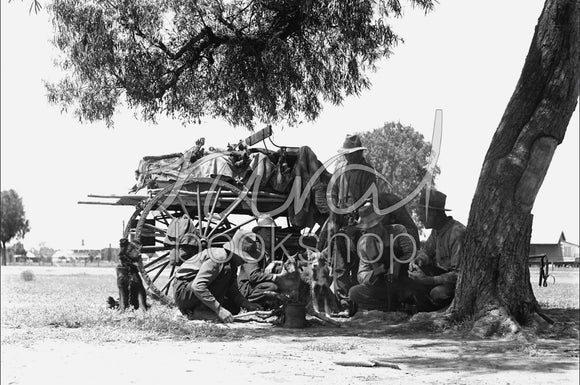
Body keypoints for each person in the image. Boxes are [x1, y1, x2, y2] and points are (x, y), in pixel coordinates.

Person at [330, 134, 377, 313]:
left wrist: (359, 218)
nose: (348, 156)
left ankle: (357, 304)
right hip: (341, 223)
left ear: (358, 153)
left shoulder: (367, 171)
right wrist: (334, 218)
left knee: (359, 263)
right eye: (346, 153)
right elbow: (332, 194)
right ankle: (343, 303)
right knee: (340, 265)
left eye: (351, 153)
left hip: (360, 224)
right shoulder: (340, 168)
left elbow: (371, 199)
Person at [173, 229, 262, 323]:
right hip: (183, 292)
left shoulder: (231, 263)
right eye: (244, 257)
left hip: (192, 291)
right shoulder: (220, 258)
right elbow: (198, 286)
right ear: (235, 252)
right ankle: (199, 311)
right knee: (225, 272)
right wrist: (219, 309)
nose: (245, 261)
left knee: (234, 308)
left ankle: (200, 310)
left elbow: (232, 290)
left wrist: (247, 304)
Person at [348, 196, 416, 312]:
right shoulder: (365, 244)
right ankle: (393, 306)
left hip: (402, 280)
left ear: (381, 222)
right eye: (370, 228)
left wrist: (399, 262)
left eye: (376, 225)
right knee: (354, 292)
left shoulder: (398, 231)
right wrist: (375, 273)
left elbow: (411, 253)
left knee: (415, 287)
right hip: (381, 285)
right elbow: (361, 274)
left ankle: (400, 303)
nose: (374, 230)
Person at [408, 189, 466, 311]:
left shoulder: (457, 233)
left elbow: (459, 275)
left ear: (433, 213)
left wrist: (428, 280)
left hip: (456, 285)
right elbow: (427, 252)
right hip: (440, 279)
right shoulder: (436, 231)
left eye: (422, 213)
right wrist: (419, 260)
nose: (420, 218)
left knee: (437, 293)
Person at [238, 214, 284, 308]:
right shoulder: (252, 249)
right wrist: (275, 277)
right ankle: (247, 303)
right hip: (246, 288)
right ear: (258, 232)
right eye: (267, 230)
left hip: (258, 285)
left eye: (273, 230)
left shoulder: (270, 251)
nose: (271, 232)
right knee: (272, 287)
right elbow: (253, 276)